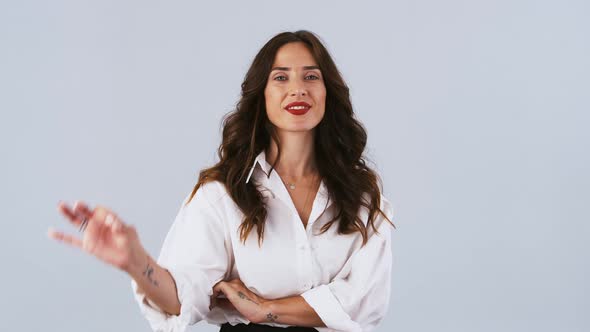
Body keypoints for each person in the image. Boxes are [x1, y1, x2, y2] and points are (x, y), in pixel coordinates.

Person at [48, 30, 395, 332]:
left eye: (311, 77)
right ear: (261, 94)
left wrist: (265, 309)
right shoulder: (223, 194)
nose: (297, 89)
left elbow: (365, 301)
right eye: (280, 77)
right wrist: (136, 264)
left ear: (327, 92)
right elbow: (184, 296)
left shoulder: (363, 192)